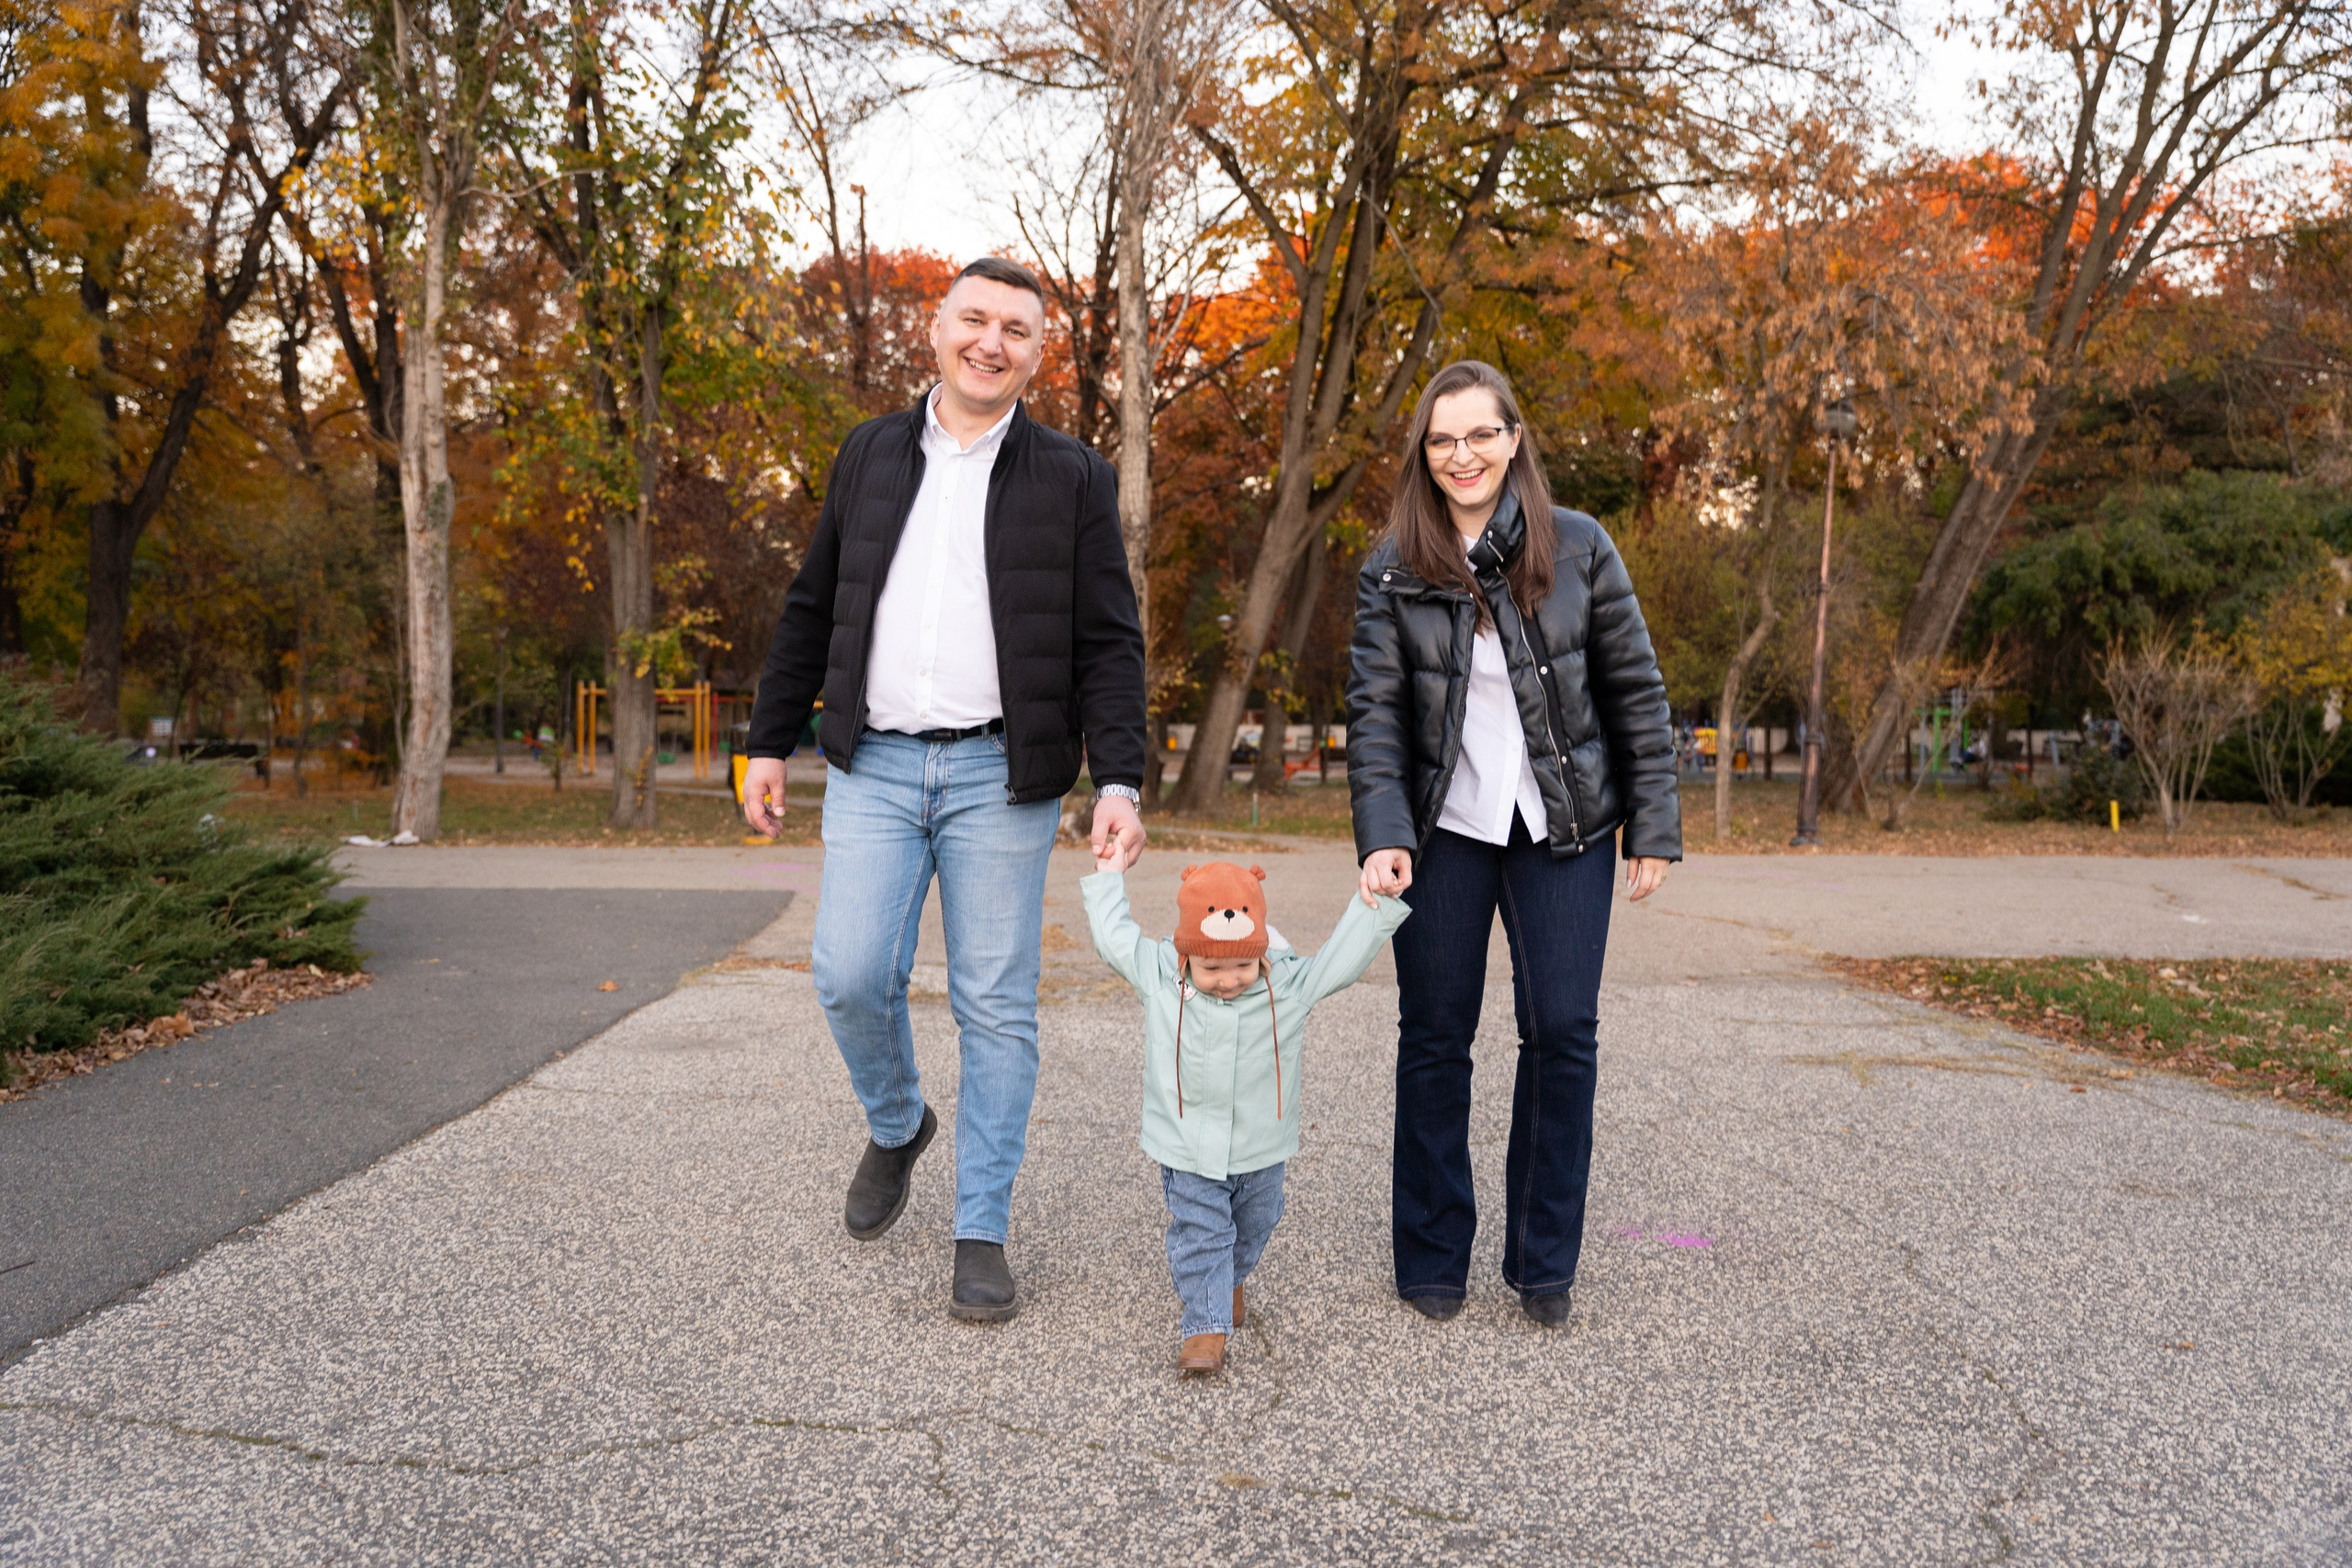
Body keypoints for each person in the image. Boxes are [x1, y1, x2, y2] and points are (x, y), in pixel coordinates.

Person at [741, 256, 1149, 1324]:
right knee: (846, 973)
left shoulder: (1072, 477)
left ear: (1037, 353)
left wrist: (1121, 781)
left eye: (1017, 329)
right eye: (975, 319)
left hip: (999, 776)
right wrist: (767, 741)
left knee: (996, 1006)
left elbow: (1109, 641)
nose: (992, 342)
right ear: (936, 329)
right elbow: (811, 602)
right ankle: (895, 1122)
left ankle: (981, 1227)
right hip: (871, 763)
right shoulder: (870, 453)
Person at [1345, 359, 1681, 1328]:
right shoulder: (1392, 565)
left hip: (1561, 830)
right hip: (1442, 832)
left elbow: (1635, 693)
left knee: (1564, 1033)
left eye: (1480, 434)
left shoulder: (1577, 547)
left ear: (1514, 438)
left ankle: (1543, 1265)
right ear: (1424, 452)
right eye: (1442, 439)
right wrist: (1381, 835)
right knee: (1434, 1038)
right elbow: (1372, 715)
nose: (1463, 455)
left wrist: (1651, 825)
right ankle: (1431, 1255)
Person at [1081, 853, 1410, 1374]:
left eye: (1242, 966)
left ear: (1261, 953)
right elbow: (1114, 938)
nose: (1229, 980)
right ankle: (1205, 1327)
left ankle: (1227, 1278)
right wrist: (1108, 877)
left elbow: (1340, 961)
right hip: (1187, 1147)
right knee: (1202, 1230)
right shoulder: (1162, 979)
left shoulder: (1288, 986)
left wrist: (1376, 905)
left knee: (1255, 1221)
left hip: (1261, 1148)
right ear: (1188, 956)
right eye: (1212, 968)